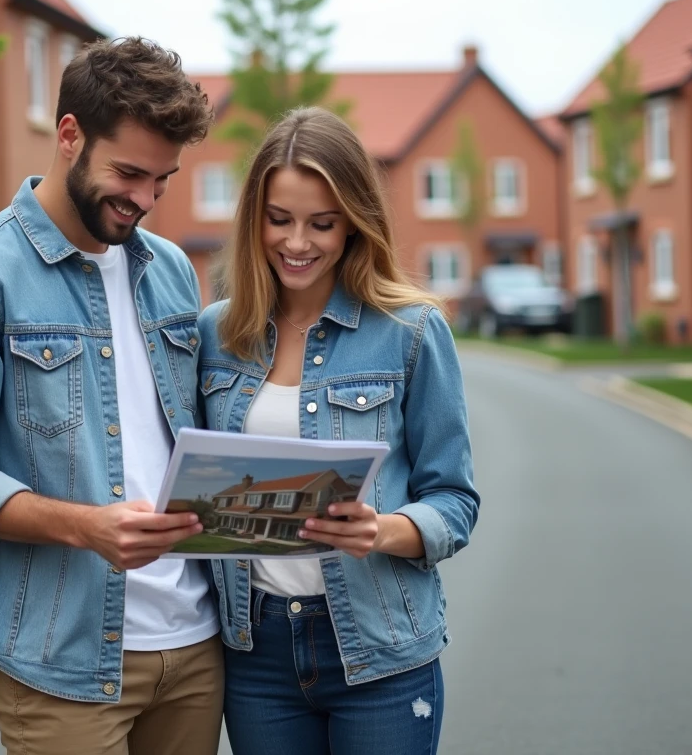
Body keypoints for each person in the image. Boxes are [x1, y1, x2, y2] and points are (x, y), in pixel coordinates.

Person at [0, 37, 223, 755]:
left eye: (163, 181)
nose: (144, 200)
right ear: (70, 136)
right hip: (64, 660)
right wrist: (87, 527)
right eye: (130, 173)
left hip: (196, 646)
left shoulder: (170, 269)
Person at [196, 106, 480, 754]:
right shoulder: (215, 335)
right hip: (255, 651)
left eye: (322, 223)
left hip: (380, 648)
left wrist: (381, 530)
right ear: (253, 220)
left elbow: (455, 503)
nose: (298, 243)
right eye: (279, 220)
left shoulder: (411, 332)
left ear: (354, 222)